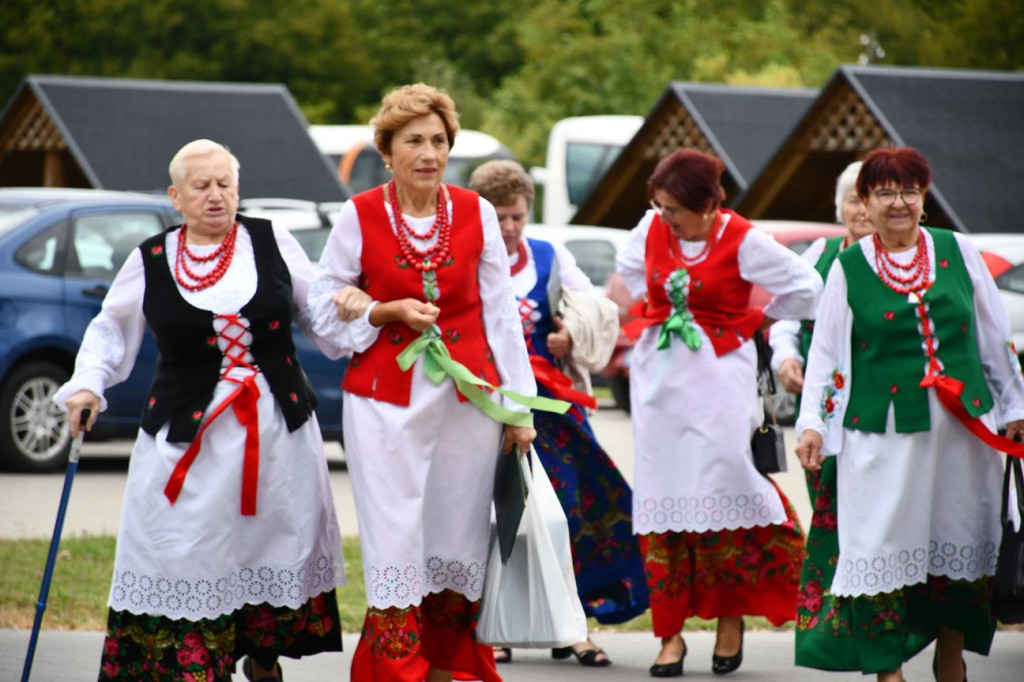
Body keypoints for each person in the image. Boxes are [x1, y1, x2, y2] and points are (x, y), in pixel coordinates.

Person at [54, 139, 347, 682]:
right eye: (201, 186)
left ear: (239, 189)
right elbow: (111, 329)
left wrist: (370, 314)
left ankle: (264, 663)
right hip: (187, 442)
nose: (216, 196)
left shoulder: (271, 239)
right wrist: (87, 385)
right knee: (186, 557)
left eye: (225, 185)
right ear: (175, 197)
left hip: (276, 438)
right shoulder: (153, 258)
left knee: (270, 553)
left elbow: (323, 318)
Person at [308, 84, 559, 682]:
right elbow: (323, 309)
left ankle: (447, 666)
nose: (429, 152)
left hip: (466, 404)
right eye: (414, 141)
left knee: (457, 538)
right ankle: (398, 670)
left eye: (439, 141)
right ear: (387, 151)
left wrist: (518, 411)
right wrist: (378, 310)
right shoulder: (359, 213)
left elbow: (500, 314)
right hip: (382, 407)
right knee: (395, 536)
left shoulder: (473, 211)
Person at [795, 146, 1024, 682]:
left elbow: (994, 340)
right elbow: (828, 356)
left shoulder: (958, 251)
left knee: (959, 544)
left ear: (924, 198)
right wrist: (812, 423)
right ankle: (887, 670)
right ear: (865, 204)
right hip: (882, 438)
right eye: (884, 193)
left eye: (909, 191)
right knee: (877, 549)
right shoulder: (848, 267)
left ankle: (950, 657)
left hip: (963, 438)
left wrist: (1015, 407)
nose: (898, 203)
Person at [615, 149, 821, 678]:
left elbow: (807, 287)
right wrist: (662, 309)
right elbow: (630, 269)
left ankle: (731, 623)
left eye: (674, 210)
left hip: (721, 381)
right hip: (659, 381)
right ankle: (670, 636)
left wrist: (752, 315)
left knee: (723, 491)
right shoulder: (651, 227)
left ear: (708, 206)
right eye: (659, 207)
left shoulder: (743, 238)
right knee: (663, 498)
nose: (664, 218)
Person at [468, 160, 649, 667]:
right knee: (495, 515)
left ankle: (574, 628)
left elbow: (593, 305)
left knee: (566, 513)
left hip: (551, 410)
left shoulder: (549, 255)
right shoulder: (466, 257)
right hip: (486, 404)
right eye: (500, 217)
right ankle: (493, 626)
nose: (508, 228)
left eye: (517, 217)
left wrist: (570, 332)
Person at [768, 161, 875, 670]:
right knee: (830, 509)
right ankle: (839, 613)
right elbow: (785, 315)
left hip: (883, 410)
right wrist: (785, 354)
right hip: (826, 413)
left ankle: (876, 610)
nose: (861, 210)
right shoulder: (824, 254)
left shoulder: (913, 261)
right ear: (842, 209)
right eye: (852, 201)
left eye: (867, 198)